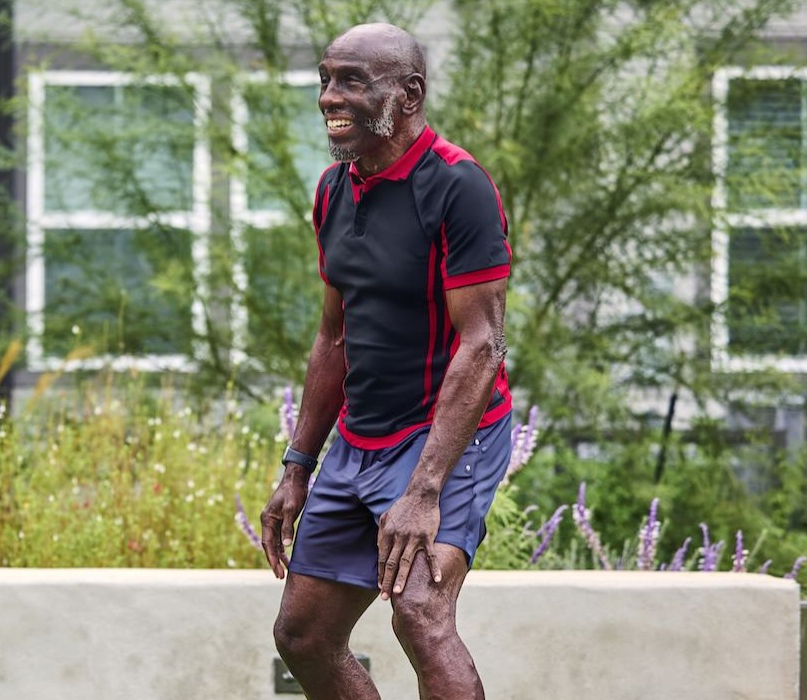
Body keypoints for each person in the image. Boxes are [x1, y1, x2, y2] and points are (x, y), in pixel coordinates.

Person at [259, 22, 514, 700]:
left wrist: (424, 490)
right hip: (360, 440)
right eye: (325, 79)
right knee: (304, 636)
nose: (328, 97)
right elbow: (333, 337)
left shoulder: (459, 186)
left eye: (350, 81)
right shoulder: (332, 189)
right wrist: (298, 464)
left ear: (409, 93)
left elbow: (483, 344)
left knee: (421, 614)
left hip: (447, 435)